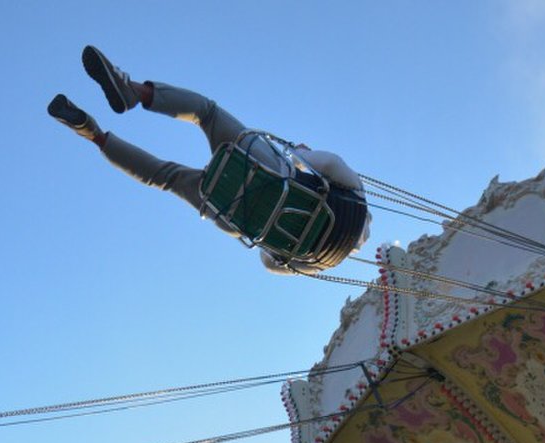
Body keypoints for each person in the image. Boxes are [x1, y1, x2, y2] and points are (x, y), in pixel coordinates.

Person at [47, 46, 368, 274]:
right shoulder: (320, 264)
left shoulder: (356, 197)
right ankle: (93, 133)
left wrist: (300, 154)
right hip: (234, 214)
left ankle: (132, 91)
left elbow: (328, 163)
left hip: (268, 172)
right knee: (165, 177)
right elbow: (270, 263)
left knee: (206, 113)